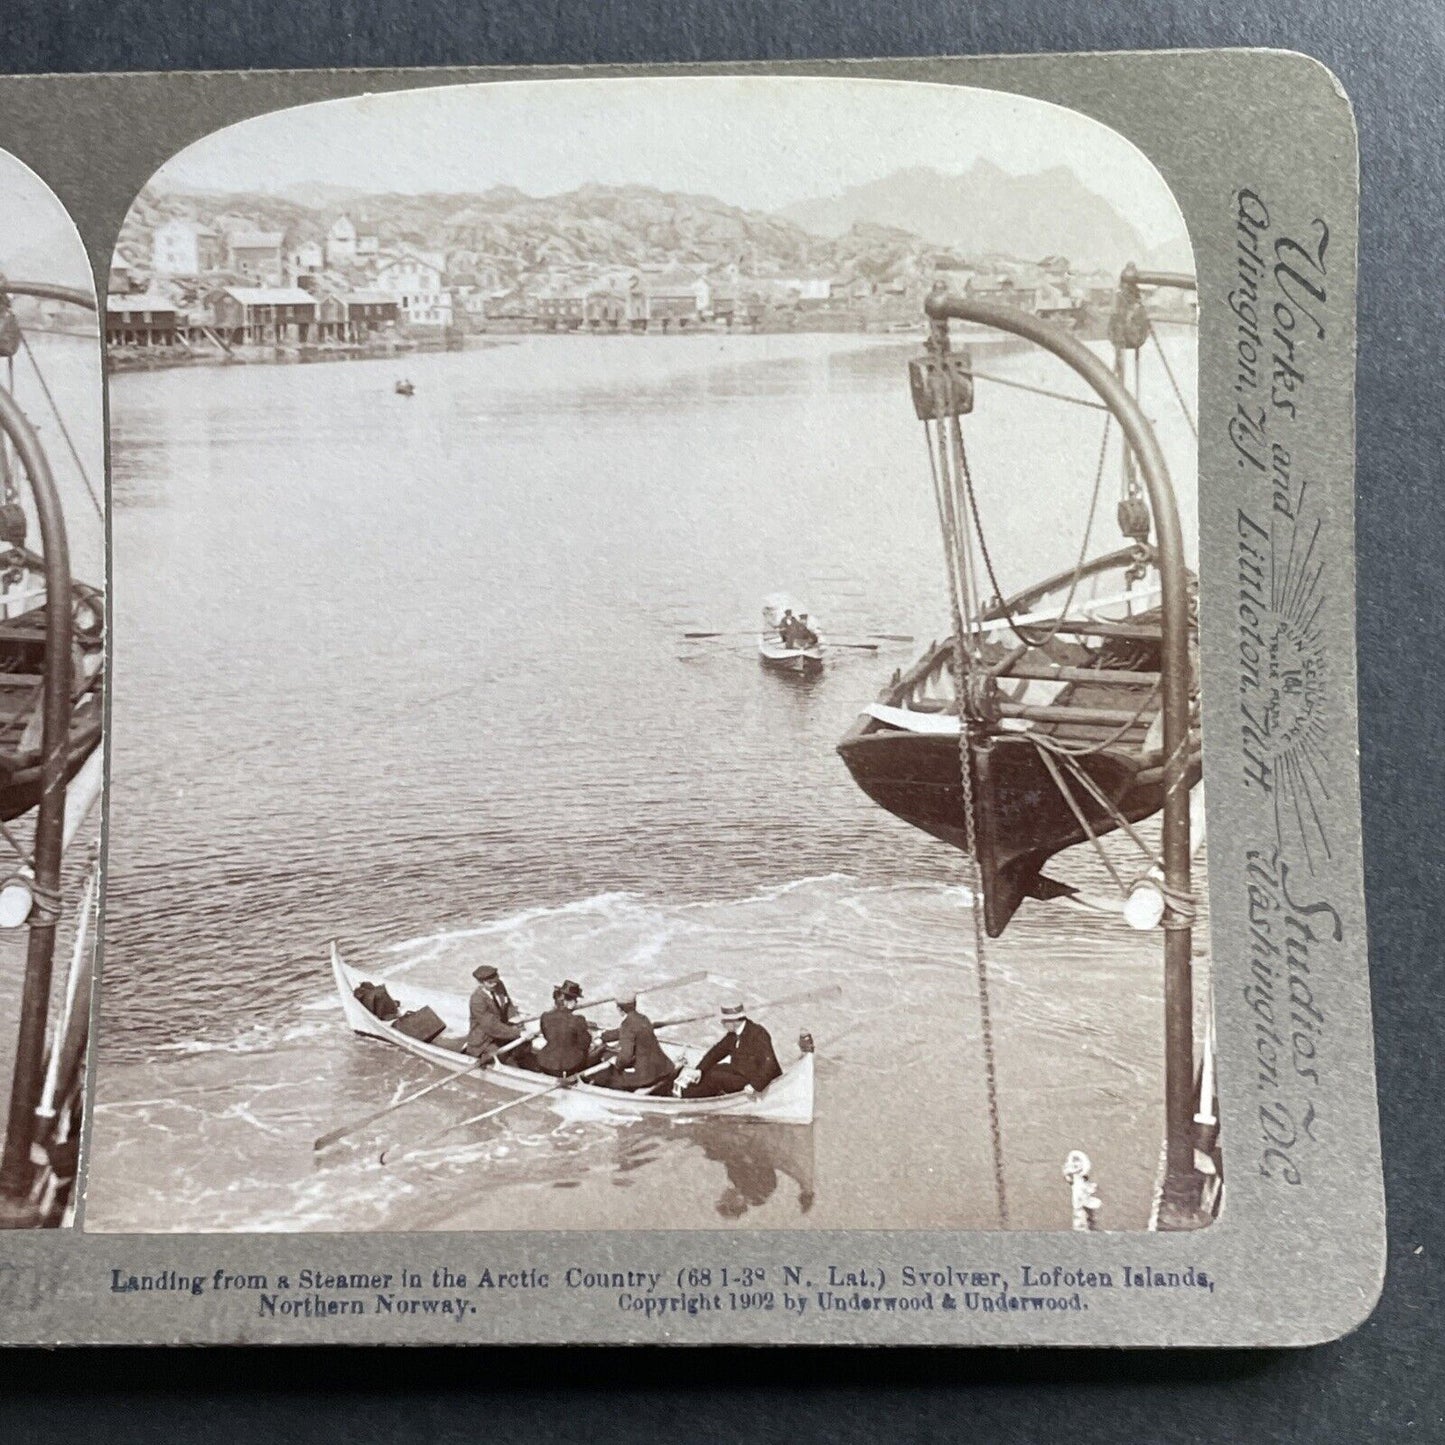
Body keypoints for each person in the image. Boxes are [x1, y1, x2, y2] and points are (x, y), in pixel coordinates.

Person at [677, 1003, 782, 1098]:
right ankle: (688, 1091)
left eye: (724, 1021)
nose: (722, 1023)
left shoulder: (758, 1033)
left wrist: (755, 1085)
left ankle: (686, 1097)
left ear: (734, 1021)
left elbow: (770, 1064)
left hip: (756, 1079)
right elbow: (716, 1052)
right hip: (741, 1073)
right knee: (711, 1070)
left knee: (715, 1077)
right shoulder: (733, 1035)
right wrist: (699, 1070)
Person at [593, 994, 675, 1092]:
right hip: (664, 1068)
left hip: (646, 1076)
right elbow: (624, 1031)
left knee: (602, 1078)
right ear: (635, 1004)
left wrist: (615, 1063)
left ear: (619, 1009)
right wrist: (603, 1037)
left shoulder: (627, 1025)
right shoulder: (643, 1018)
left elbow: (625, 1057)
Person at [515, 980, 594, 1077]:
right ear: (567, 1001)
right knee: (585, 1051)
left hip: (545, 1063)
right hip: (569, 1067)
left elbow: (547, 1036)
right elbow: (584, 1044)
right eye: (575, 1000)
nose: (576, 1003)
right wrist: (589, 1033)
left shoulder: (545, 1016)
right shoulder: (578, 1020)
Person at [460, 963, 523, 1062]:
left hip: (502, 1030)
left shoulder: (499, 985)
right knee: (502, 1057)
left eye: (496, 981)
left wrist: (516, 1020)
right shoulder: (477, 999)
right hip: (484, 1040)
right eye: (490, 982)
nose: (495, 984)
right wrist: (517, 1033)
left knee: (524, 1046)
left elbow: (508, 1005)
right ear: (481, 983)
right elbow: (491, 1026)